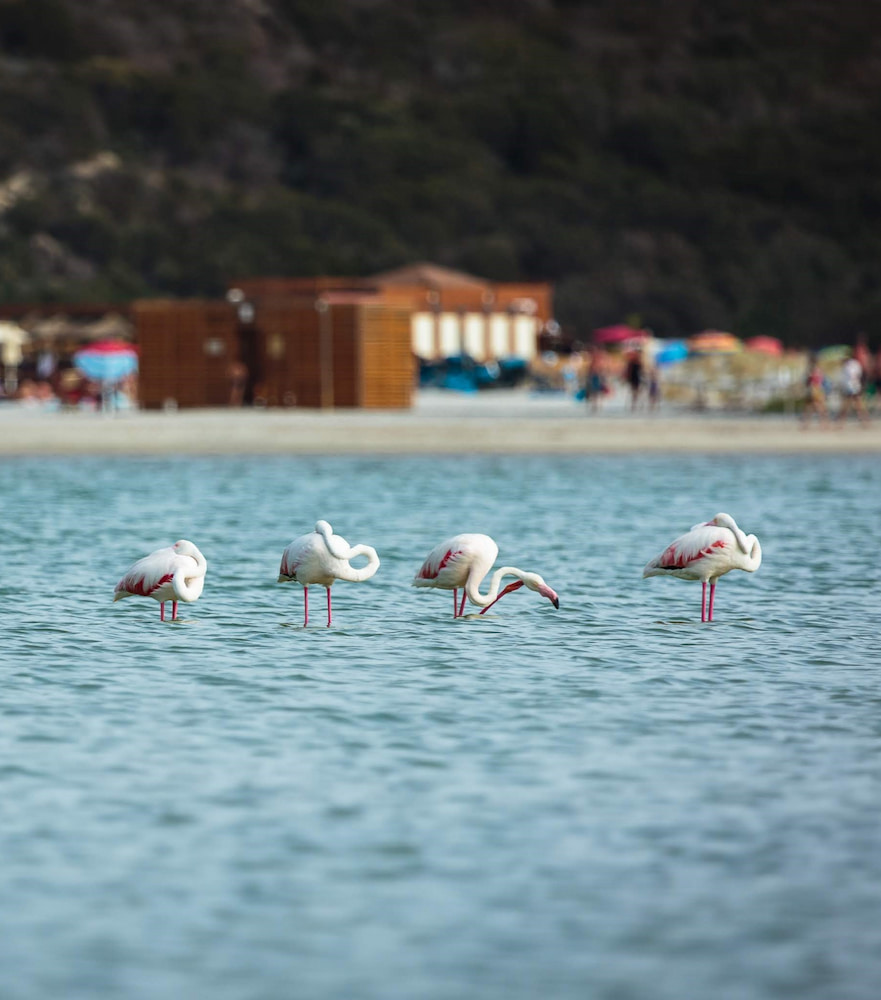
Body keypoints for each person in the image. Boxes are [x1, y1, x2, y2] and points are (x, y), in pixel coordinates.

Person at [836, 354, 870, 426]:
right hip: (849, 387)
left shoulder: (854, 364)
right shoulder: (845, 366)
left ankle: (865, 420)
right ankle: (841, 422)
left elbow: (857, 375)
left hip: (854, 386)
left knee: (858, 404)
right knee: (848, 405)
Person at [800, 353, 829, 428]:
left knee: (811, 407)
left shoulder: (812, 369)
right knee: (817, 407)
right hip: (818, 389)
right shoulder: (819, 369)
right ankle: (823, 423)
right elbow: (822, 379)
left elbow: (809, 380)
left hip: (814, 389)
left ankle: (807, 424)